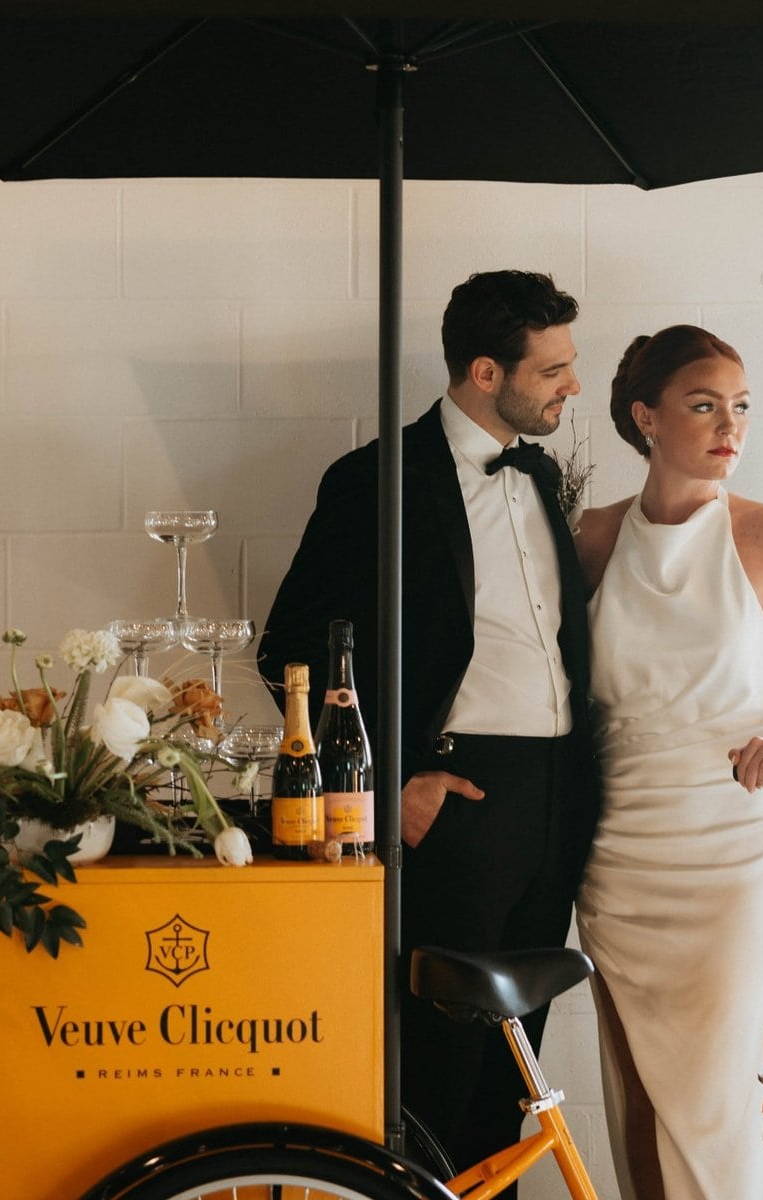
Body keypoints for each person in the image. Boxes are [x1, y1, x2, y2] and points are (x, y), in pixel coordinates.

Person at [258, 270, 601, 1179]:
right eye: (554, 369)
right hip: (451, 798)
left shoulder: (542, 473)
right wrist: (392, 777)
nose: (573, 385)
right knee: (436, 1069)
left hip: (557, 798)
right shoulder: (376, 480)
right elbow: (289, 648)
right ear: (486, 372)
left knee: (518, 1069)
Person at [573, 325, 763, 1200]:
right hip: (619, 853)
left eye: (741, 407)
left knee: (728, 1090)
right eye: (704, 405)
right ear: (646, 417)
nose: (731, 425)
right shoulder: (595, 538)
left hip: (733, 849)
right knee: (643, 1093)